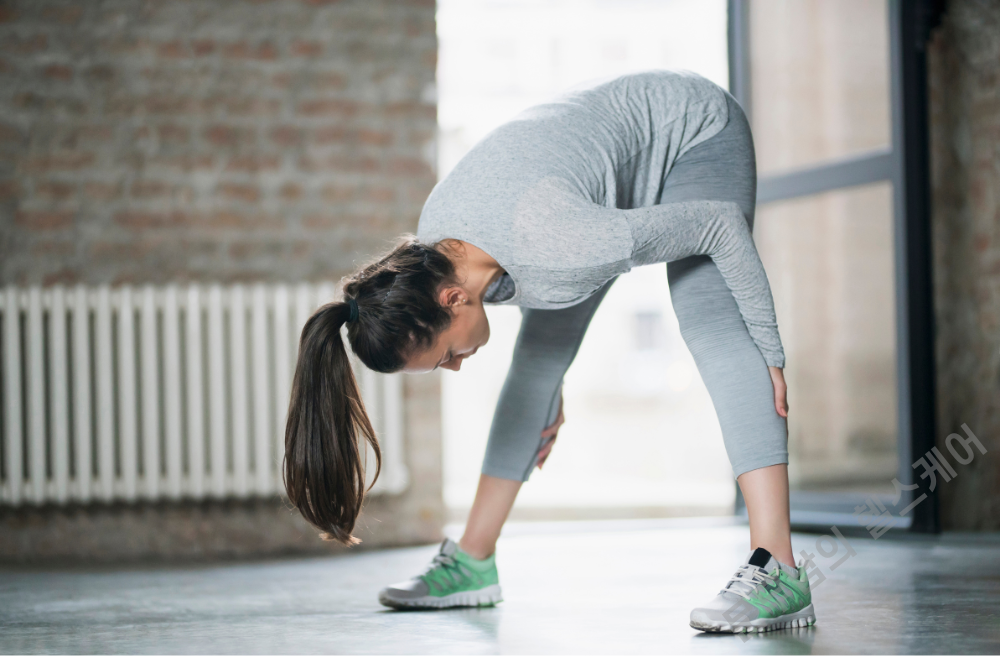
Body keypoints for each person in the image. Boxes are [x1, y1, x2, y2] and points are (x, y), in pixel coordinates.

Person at [283, 69, 816, 633]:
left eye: (445, 357)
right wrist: (551, 377)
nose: (457, 367)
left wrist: (769, 348)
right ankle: (472, 560)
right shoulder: (438, 248)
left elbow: (719, 226)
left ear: (452, 297)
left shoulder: (560, 246)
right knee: (536, 365)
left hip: (693, 132)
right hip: (577, 206)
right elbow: (546, 255)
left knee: (712, 322)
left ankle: (779, 567)